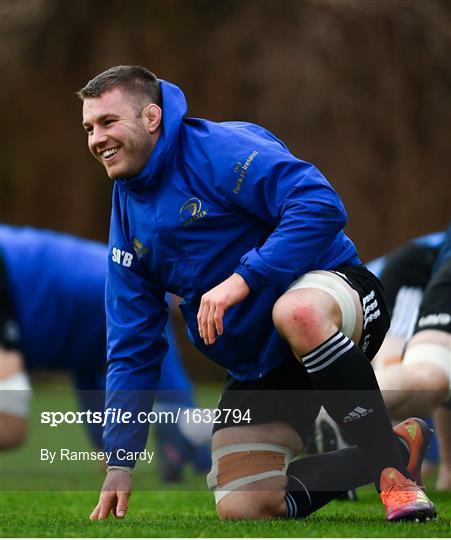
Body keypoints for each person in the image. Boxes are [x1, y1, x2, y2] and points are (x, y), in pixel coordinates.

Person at [78, 65, 435, 522]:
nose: (96, 139)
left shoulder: (217, 150)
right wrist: (119, 461)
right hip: (261, 359)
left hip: (338, 301)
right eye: (89, 128)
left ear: (151, 117)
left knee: (296, 310)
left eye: (108, 122)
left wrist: (242, 280)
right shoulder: (127, 216)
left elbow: (320, 204)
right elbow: (131, 343)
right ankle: (394, 446)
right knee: (245, 507)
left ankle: (395, 481)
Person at [0, 224, 211, 482]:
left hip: (112, 295)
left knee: (180, 420)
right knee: (115, 444)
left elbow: (11, 420)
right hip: (83, 311)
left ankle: (217, 451)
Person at [371, 227, 451, 491]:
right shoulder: (409, 262)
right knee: (420, 372)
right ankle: (341, 411)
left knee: (435, 372)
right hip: (407, 276)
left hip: (429, 274)